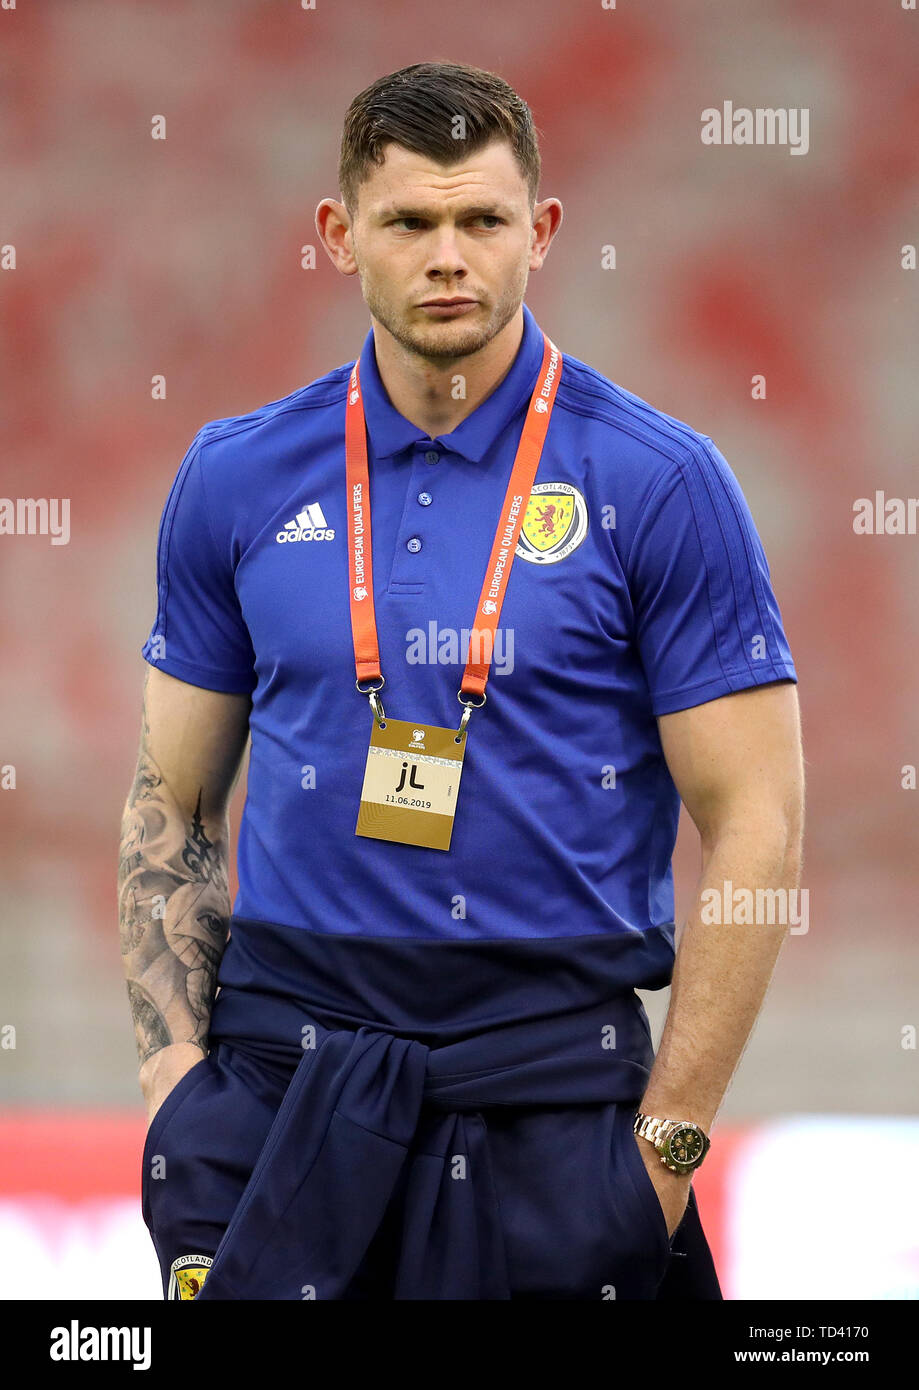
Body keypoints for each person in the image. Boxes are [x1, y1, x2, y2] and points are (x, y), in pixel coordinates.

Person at [119, 60, 804, 1301]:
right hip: (285, 1088)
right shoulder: (235, 476)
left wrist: (664, 1148)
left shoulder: (660, 481)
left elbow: (757, 821)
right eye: (410, 221)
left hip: (555, 1099)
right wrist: (177, 1091)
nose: (449, 255)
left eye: (481, 220)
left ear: (538, 232)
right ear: (341, 235)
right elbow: (168, 803)